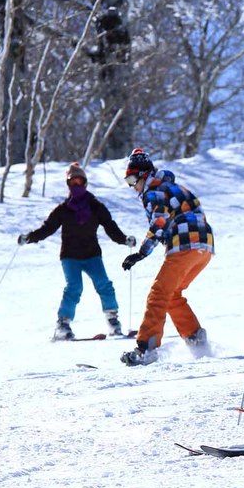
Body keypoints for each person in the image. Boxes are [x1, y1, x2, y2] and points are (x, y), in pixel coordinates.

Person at [18, 162, 139, 341]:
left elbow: (110, 226)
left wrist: (124, 239)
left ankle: (112, 320)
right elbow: (47, 228)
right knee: (74, 287)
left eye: (79, 182)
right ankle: (63, 324)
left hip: (92, 255)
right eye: (72, 182)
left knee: (104, 284)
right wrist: (30, 237)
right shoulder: (63, 209)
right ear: (68, 185)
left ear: (85, 183)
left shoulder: (95, 206)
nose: (76, 185)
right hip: (70, 256)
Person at [119, 149, 215, 366]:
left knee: (159, 293)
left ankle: (146, 349)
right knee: (172, 295)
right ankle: (196, 339)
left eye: (133, 179)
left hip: (185, 245)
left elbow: (159, 221)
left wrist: (142, 252)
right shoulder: (173, 187)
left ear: (145, 174)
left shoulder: (154, 190)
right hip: (204, 248)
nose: (132, 186)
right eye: (128, 181)